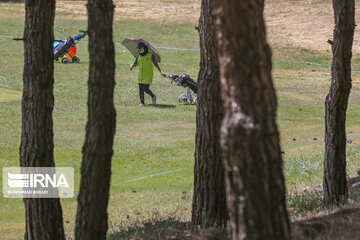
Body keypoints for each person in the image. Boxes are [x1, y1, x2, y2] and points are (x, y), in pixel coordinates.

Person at [130, 42, 166, 106]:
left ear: (144, 48)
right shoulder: (138, 55)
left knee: (145, 89)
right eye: (138, 48)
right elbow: (136, 63)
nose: (139, 49)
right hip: (140, 75)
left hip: (148, 74)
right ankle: (142, 103)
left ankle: (153, 96)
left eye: (140, 48)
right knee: (141, 89)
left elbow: (155, 64)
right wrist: (133, 65)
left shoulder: (150, 55)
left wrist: (161, 71)